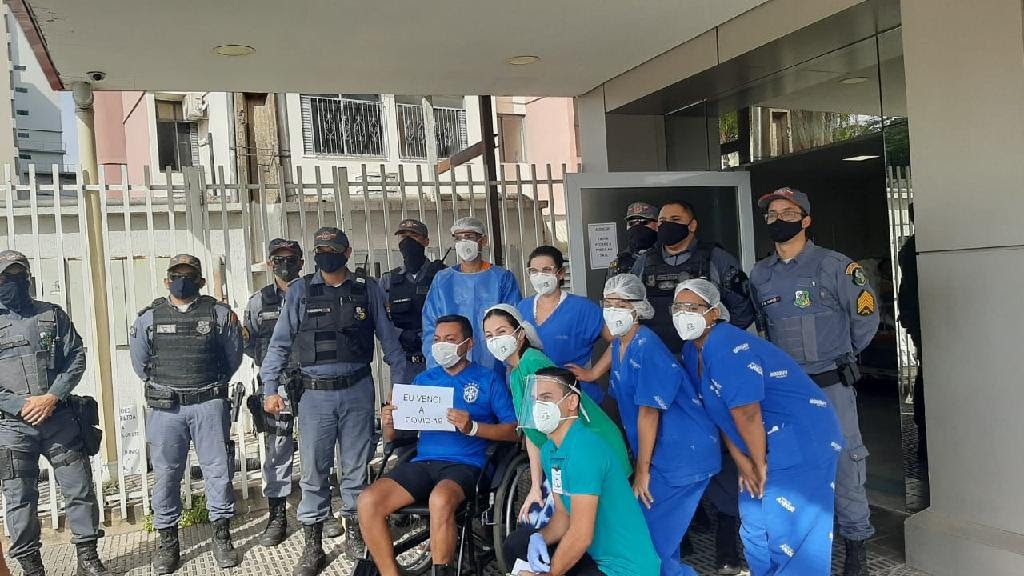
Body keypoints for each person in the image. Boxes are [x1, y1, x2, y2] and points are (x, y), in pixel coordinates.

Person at [260, 227, 410, 576]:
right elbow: (280, 344)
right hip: (314, 396)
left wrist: (398, 388)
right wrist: (270, 388)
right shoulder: (300, 291)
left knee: (356, 470)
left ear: (346, 252)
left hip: (357, 391)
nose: (325, 254)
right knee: (314, 472)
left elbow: (391, 345)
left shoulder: (367, 289)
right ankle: (313, 546)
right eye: (320, 249)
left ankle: (356, 535)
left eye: (332, 248)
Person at [749, 187, 880, 576]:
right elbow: (763, 329)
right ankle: (802, 545)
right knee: (791, 466)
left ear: (806, 220)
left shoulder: (835, 266)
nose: (778, 219)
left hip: (830, 386)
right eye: (772, 214)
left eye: (788, 213)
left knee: (845, 462)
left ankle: (856, 545)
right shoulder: (761, 274)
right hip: (786, 393)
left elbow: (865, 318)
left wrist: (841, 357)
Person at [675, 278, 843, 576]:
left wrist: (758, 462)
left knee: (791, 529)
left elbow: (747, 413)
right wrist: (744, 461)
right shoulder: (693, 351)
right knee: (756, 527)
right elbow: (722, 414)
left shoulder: (728, 347)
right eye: (678, 306)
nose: (682, 314)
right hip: (757, 443)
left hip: (800, 437)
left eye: (693, 307)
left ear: (714, 312)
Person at [358, 314, 519, 576]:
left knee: (441, 499)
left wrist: (474, 427)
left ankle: (441, 571)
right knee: (368, 501)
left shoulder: (487, 380)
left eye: (450, 339)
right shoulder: (423, 381)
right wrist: (389, 422)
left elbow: (514, 432)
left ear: (468, 344)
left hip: (467, 463)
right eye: (437, 339)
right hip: (424, 461)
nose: (441, 345)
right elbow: (393, 437)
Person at [598, 274, 721, 576]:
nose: (613, 311)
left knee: (649, 545)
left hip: (682, 454)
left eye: (621, 304)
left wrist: (642, 472)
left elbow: (648, 413)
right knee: (658, 538)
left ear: (638, 308)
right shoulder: (620, 345)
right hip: (662, 455)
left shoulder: (646, 347)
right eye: (608, 304)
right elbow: (621, 396)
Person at [129, 254, 244, 573]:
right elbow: (140, 364)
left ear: (201, 281)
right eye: (176, 275)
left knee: (218, 472)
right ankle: (168, 545)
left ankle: (221, 539)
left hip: (208, 403)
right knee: (166, 476)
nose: (182, 280)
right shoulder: (149, 318)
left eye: (189, 275)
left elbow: (233, 357)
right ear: (166, 281)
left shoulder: (220, 315)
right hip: (167, 408)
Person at [0, 250, 110, 576]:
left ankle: (88, 559)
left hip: (58, 419)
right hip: (13, 427)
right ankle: (32, 567)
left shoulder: (52, 315)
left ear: (29, 278)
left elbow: (75, 357)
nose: (13, 282)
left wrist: (51, 396)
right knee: (20, 498)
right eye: (6, 277)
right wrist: (20, 405)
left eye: (19, 275)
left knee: (79, 488)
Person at [482, 304, 631, 526]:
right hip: (564, 455)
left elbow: (561, 424)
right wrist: (535, 486)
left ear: (520, 334)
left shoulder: (533, 363)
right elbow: (532, 434)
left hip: (592, 446)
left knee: (600, 526)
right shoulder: (515, 374)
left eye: (501, 332)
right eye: (489, 335)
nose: (495, 340)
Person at [503, 367, 660, 576]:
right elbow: (563, 515)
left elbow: (581, 535)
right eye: (534, 398)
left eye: (546, 397)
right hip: (595, 556)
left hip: (625, 568)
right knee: (517, 544)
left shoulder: (585, 449)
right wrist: (539, 537)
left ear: (572, 402)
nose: (537, 406)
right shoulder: (550, 451)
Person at [243, 238, 330, 546]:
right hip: (276, 385)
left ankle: (321, 510)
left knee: (315, 447)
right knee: (277, 449)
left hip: (309, 381)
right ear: (269, 263)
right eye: (278, 258)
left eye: (290, 258)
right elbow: (249, 340)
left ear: (301, 262)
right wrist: (269, 370)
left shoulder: (314, 292)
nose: (284, 263)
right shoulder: (259, 300)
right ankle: (277, 515)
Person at [629, 201, 755, 353]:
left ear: (692, 225)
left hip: (705, 355)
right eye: (662, 221)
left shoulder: (717, 259)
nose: (667, 225)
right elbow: (630, 308)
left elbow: (743, 311)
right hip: (657, 357)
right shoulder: (643, 262)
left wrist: (718, 342)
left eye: (675, 220)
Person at [421, 216, 521, 380]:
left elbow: (513, 324)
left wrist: (510, 364)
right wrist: (438, 364)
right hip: (451, 366)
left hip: (494, 365)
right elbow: (431, 326)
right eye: (459, 238)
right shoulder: (442, 280)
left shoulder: (502, 279)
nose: (464, 242)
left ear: (483, 240)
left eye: (470, 237)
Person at [518, 245, 610, 403]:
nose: (540, 276)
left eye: (547, 269)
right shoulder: (522, 308)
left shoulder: (582, 308)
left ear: (561, 273)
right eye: (533, 271)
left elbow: (619, 340)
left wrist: (594, 373)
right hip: (535, 395)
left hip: (575, 394)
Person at [380, 218, 446, 383]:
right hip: (404, 365)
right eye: (403, 236)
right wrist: (401, 335)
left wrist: (427, 337)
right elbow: (380, 320)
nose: (408, 241)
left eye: (414, 236)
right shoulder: (388, 281)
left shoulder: (443, 276)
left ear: (426, 241)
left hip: (439, 362)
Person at [896, 203, 925, 465]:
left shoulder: (910, 248)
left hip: (918, 321)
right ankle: (924, 434)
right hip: (924, 322)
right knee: (926, 378)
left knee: (924, 375)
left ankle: (923, 434)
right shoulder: (916, 249)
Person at [606, 202, 659, 279]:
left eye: (644, 222)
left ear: (657, 224)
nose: (637, 227)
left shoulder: (669, 257)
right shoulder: (619, 263)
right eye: (632, 223)